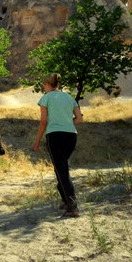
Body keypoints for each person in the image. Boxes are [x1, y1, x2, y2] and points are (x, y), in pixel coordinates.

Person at [33, 73, 83, 218]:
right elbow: (79, 119)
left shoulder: (46, 98)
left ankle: (73, 207)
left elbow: (43, 122)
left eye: (44, 86)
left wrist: (37, 141)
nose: (44, 88)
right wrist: (67, 121)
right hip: (71, 135)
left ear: (48, 85)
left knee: (62, 170)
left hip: (55, 135)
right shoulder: (69, 98)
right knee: (61, 167)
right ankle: (64, 200)